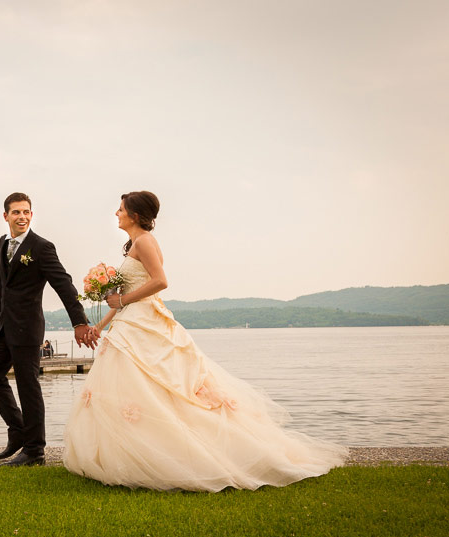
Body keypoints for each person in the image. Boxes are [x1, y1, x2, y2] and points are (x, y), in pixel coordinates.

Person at [63, 191, 348, 490]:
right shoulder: (134, 244)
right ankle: (128, 455)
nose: (116, 213)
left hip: (144, 322)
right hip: (131, 322)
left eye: (121, 209)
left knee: (156, 387)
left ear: (135, 215)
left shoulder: (145, 240)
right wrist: (100, 325)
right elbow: (120, 304)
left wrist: (121, 299)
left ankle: (177, 456)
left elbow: (160, 282)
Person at [0, 192, 95, 467]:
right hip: (4, 327)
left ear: (31, 215)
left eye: (26, 212)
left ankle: (35, 451)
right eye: (16, 212)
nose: (22, 217)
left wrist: (79, 321)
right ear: (5, 216)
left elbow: (64, 284)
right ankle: (19, 430)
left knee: (28, 386)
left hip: (27, 328)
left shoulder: (41, 247)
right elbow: (3, 285)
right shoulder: (3, 243)